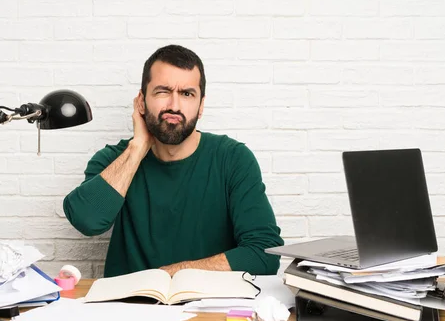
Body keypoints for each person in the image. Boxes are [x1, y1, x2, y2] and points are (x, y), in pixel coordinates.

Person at [63, 44, 284, 278]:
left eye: (187, 94)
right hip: (128, 308)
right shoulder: (115, 159)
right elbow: (87, 221)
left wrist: (177, 272)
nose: (174, 106)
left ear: (201, 106)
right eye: (162, 92)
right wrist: (137, 148)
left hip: (209, 308)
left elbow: (265, 253)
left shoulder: (233, 159)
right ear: (141, 101)